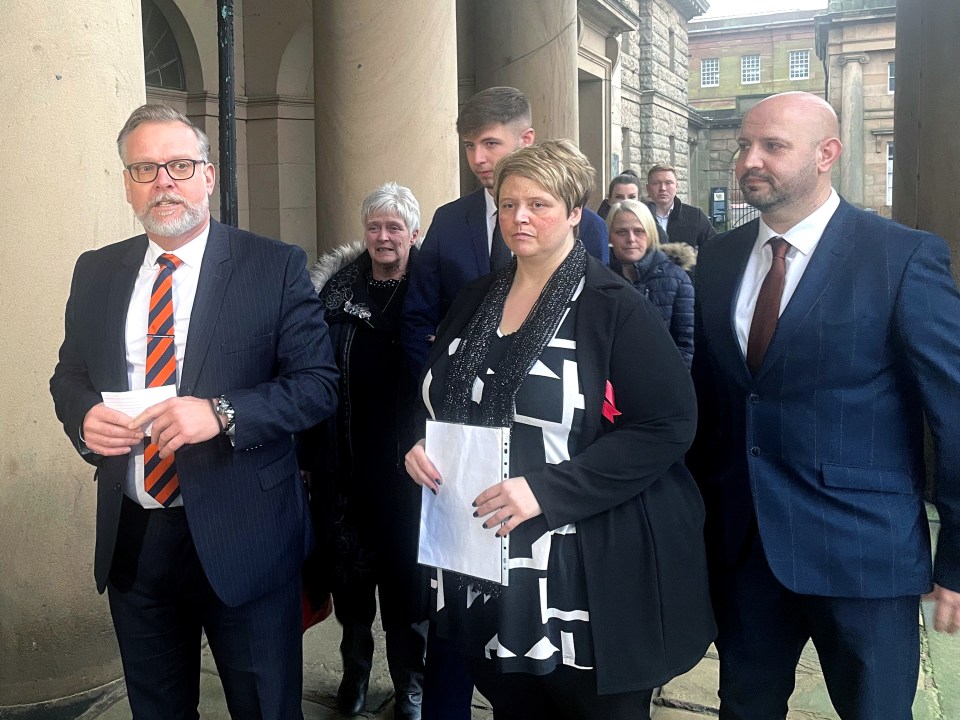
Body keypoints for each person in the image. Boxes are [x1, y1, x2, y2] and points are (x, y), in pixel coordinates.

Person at [405, 139, 715, 720]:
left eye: (540, 204)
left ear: (576, 213)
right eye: (508, 204)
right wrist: (422, 444)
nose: (520, 217)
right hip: (484, 560)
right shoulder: (477, 297)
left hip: (583, 576)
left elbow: (669, 424)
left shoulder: (613, 305)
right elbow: (440, 395)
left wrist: (545, 491)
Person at [49, 104, 339, 720]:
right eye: (145, 168)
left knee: (265, 708)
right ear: (127, 183)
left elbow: (317, 385)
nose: (164, 182)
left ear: (209, 176)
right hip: (136, 536)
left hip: (246, 536)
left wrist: (224, 413)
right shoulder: (97, 271)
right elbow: (69, 375)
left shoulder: (273, 265)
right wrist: (82, 418)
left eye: (179, 165)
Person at [688, 91, 960, 720]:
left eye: (773, 147)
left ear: (827, 154)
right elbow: (714, 402)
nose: (749, 160)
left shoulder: (902, 257)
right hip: (744, 550)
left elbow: (953, 412)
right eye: (744, 145)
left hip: (863, 555)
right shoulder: (721, 258)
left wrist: (957, 560)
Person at [299, 183, 428, 720]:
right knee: (350, 580)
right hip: (345, 460)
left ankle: (411, 686)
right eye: (375, 226)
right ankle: (355, 672)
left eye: (394, 227)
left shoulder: (431, 290)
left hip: (410, 469)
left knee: (407, 587)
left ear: (413, 234)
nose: (383, 237)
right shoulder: (334, 293)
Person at [401, 86, 610, 376]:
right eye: (469, 146)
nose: (477, 159)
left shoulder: (587, 226)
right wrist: (438, 379)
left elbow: (596, 325)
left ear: (526, 140)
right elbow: (417, 318)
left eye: (490, 143)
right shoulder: (448, 220)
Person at [606, 199, 694, 367]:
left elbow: (684, 346)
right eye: (621, 232)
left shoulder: (677, 279)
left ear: (650, 233)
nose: (631, 239)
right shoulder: (600, 278)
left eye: (639, 231)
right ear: (610, 235)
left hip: (660, 380)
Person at [645, 163, 716, 251]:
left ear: (676, 187)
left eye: (668, 183)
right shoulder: (639, 216)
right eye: (656, 183)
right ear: (647, 188)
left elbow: (714, 247)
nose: (662, 188)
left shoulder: (694, 216)